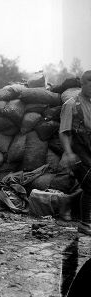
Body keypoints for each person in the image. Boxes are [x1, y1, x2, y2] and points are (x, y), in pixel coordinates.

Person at [59, 70, 91, 235]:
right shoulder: (71, 104)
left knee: (88, 186)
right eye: (90, 81)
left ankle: (69, 201)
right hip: (77, 152)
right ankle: (85, 224)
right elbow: (63, 132)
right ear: (82, 83)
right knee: (90, 184)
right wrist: (69, 153)